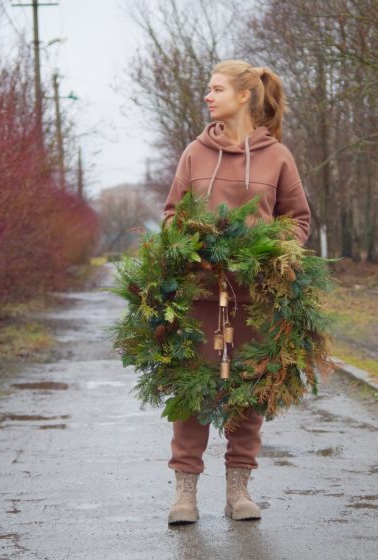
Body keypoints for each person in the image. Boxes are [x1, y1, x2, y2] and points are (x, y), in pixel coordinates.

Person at [161, 60, 311, 524]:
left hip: (254, 299)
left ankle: (238, 491)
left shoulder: (277, 157)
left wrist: (275, 249)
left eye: (217, 89)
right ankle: (185, 494)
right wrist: (190, 243)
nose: (208, 96)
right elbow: (171, 215)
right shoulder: (195, 153)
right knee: (192, 393)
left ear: (244, 96)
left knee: (247, 391)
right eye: (208, 89)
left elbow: (297, 219)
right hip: (199, 295)